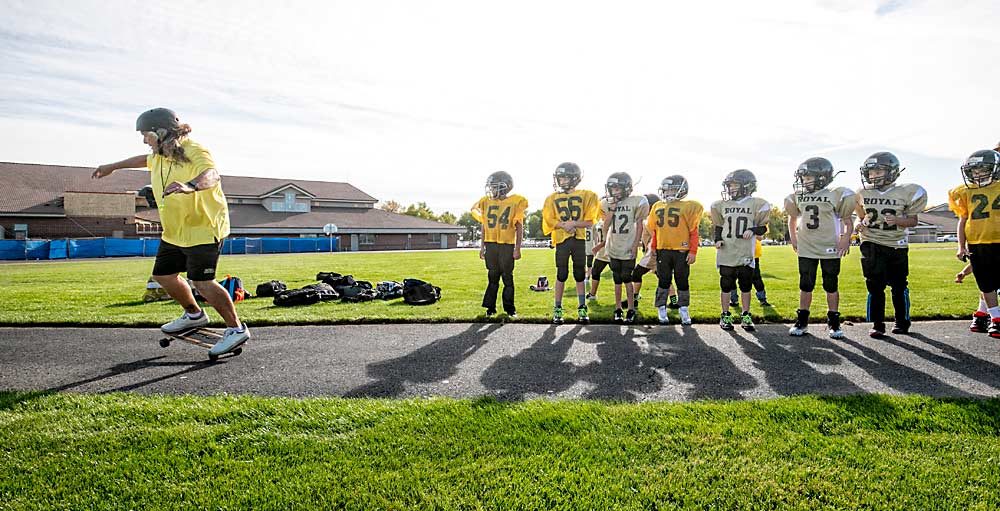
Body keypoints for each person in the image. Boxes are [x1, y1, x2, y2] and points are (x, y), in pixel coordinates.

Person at [92, 108, 249, 356]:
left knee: (202, 281)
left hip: (203, 228)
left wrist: (191, 185)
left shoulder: (193, 150)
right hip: (175, 231)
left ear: (161, 132)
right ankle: (194, 314)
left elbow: (212, 175)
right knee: (164, 276)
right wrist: (113, 166)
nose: (144, 140)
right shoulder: (159, 155)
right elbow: (142, 160)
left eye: (146, 135)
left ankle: (236, 329)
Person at [853, 152, 927, 338]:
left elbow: (913, 221)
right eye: (871, 172)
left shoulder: (905, 191)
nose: (873, 176)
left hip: (896, 245)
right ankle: (878, 324)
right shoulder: (862, 193)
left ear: (891, 172)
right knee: (874, 286)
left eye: (878, 171)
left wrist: (898, 220)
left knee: (899, 286)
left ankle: (901, 322)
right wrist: (858, 225)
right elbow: (859, 218)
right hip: (870, 242)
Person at [784, 157, 856, 338]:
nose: (804, 181)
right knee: (805, 285)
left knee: (831, 285)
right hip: (807, 247)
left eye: (808, 177)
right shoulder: (798, 196)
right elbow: (792, 219)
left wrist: (846, 238)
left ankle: (833, 322)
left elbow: (848, 221)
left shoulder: (836, 193)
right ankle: (802, 321)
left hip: (829, 247)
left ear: (822, 177)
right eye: (803, 177)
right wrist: (793, 239)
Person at [949, 149, 1000, 338]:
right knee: (986, 283)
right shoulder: (964, 192)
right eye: (975, 170)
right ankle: (995, 319)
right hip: (978, 242)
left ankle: (984, 316)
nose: (978, 174)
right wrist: (961, 246)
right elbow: (962, 220)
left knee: (993, 282)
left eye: (983, 169)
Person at [542, 162, 602, 324]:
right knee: (561, 274)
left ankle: (582, 307)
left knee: (579, 274)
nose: (561, 181)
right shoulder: (552, 198)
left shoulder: (587, 195)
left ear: (574, 178)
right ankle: (558, 308)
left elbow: (591, 220)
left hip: (579, 240)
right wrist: (564, 225)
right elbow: (548, 219)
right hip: (562, 240)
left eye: (564, 177)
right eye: (560, 178)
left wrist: (573, 224)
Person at [711, 170, 770, 331]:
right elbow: (718, 226)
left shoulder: (757, 203)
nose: (731, 189)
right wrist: (717, 239)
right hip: (727, 251)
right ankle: (725, 314)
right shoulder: (720, 205)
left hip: (745, 251)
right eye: (729, 186)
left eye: (734, 185)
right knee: (726, 284)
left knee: (745, 286)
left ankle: (746, 314)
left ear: (747, 186)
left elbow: (763, 228)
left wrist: (753, 229)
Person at [593, 172, 649, 324]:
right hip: (613, 247)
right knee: (616, 279)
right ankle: (618, 308)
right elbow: (605, 227)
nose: (614, 192)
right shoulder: (606, 203)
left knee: (627, 278)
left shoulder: (637, 201)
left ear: (626, 188)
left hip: (627, 246)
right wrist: (611, 210)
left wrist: (635, 245)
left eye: (617, 188)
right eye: (612, 189)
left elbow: (639, 226)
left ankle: (631, 309)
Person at [646, 176, 703, 325]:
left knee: (682, 281)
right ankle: (661, 309)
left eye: (671, 188)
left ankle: (684, 309)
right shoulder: (658, 205)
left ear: (681, 190)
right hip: (663, 250)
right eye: (666, 189)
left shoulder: (690, 206)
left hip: (681, 250)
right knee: (663, 280)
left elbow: (694, 232)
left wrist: (693, 251)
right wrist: (653, 247)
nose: (667, 192)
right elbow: (655, 231)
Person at [472, 171, 528, 318]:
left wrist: (517, 248)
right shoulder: (486, 202)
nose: (492, 190)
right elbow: (484, 226)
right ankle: (490, 308)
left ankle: (510, 309)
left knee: (507, 277)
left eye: (495, 187)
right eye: (491, 187)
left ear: (505, 187)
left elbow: (519, 227)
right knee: (492, 276)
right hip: (491, 244)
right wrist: (482, 247)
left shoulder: (516, 201)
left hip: (506, 245)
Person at [728, 236, 771, 307]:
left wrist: (751, 233)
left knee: (756, 277)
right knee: (732, 277)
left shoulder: (756, 225)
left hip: (752, 254)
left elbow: (760, 237)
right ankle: (733, 300)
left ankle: (763, 300)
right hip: (735, 253)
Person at [586, 217, 610, 302]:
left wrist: (598, 246)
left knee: (622, 276)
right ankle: (592, 294)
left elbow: (610, 237)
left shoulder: (611, 217)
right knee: (595, 272)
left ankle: (633, 295)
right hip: (602, 252)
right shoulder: (599, 220)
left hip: (612, 251)